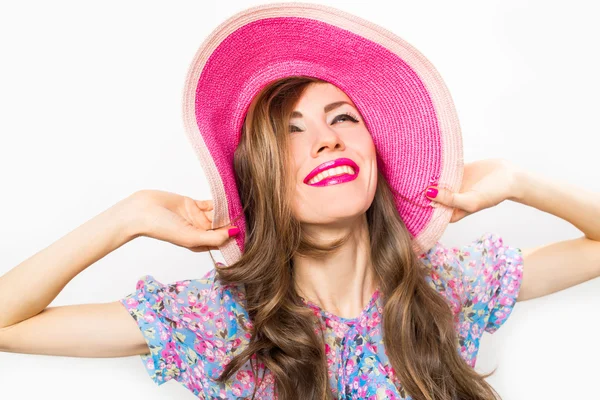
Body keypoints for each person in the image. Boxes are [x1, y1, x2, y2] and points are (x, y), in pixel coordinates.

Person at [1, 3, 600, 400]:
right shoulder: (222, 321)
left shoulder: (447, 287)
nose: (327, 137)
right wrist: (125, 219)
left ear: (374, 155)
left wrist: (519, 180)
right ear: (260, 177)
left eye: (343, 117)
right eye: (291, 130)